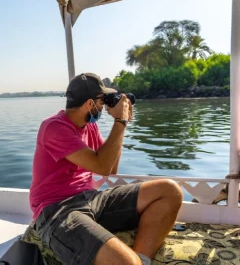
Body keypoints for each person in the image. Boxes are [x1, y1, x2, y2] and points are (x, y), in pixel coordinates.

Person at [29, 73, 183, 265]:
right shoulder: (54, 127)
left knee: (170, 191)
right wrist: (120, 122)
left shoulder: (89, 126)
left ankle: (142, 260)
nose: (104, 106)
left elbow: (110, 169)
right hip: (57, 210)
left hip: (91, 199)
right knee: (127, 263)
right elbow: (102, 165)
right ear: (90, 104)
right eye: (102, 101)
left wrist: (122, 124)